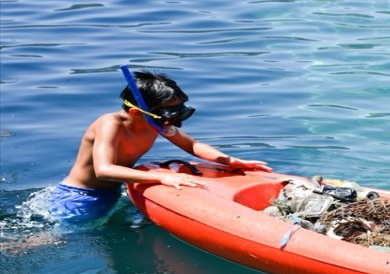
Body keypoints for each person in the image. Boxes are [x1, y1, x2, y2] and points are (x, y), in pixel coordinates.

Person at [48, 70, 271, 222]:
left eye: (180, 111)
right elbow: (104, 170)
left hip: (114, 192)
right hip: (80, 196)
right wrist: (162, 177)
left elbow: (191, 145)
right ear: (137, 112)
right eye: (170, 113)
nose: (173, 120)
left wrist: (228, 160)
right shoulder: (110, 124)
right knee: (56, 240)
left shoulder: (154, 123)